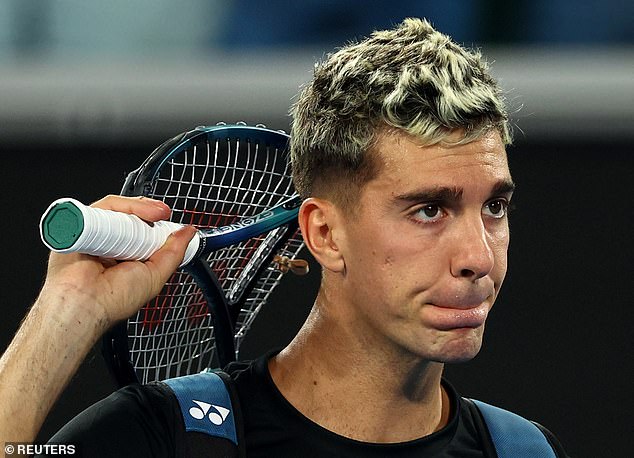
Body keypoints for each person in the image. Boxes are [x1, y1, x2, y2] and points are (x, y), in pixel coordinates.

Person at [0, 18, 568, 457]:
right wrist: (65, 312)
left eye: (494, 206)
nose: (478, 257)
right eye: (428, 210)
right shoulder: (162, 436)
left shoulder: (524, 450)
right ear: (323, 233)